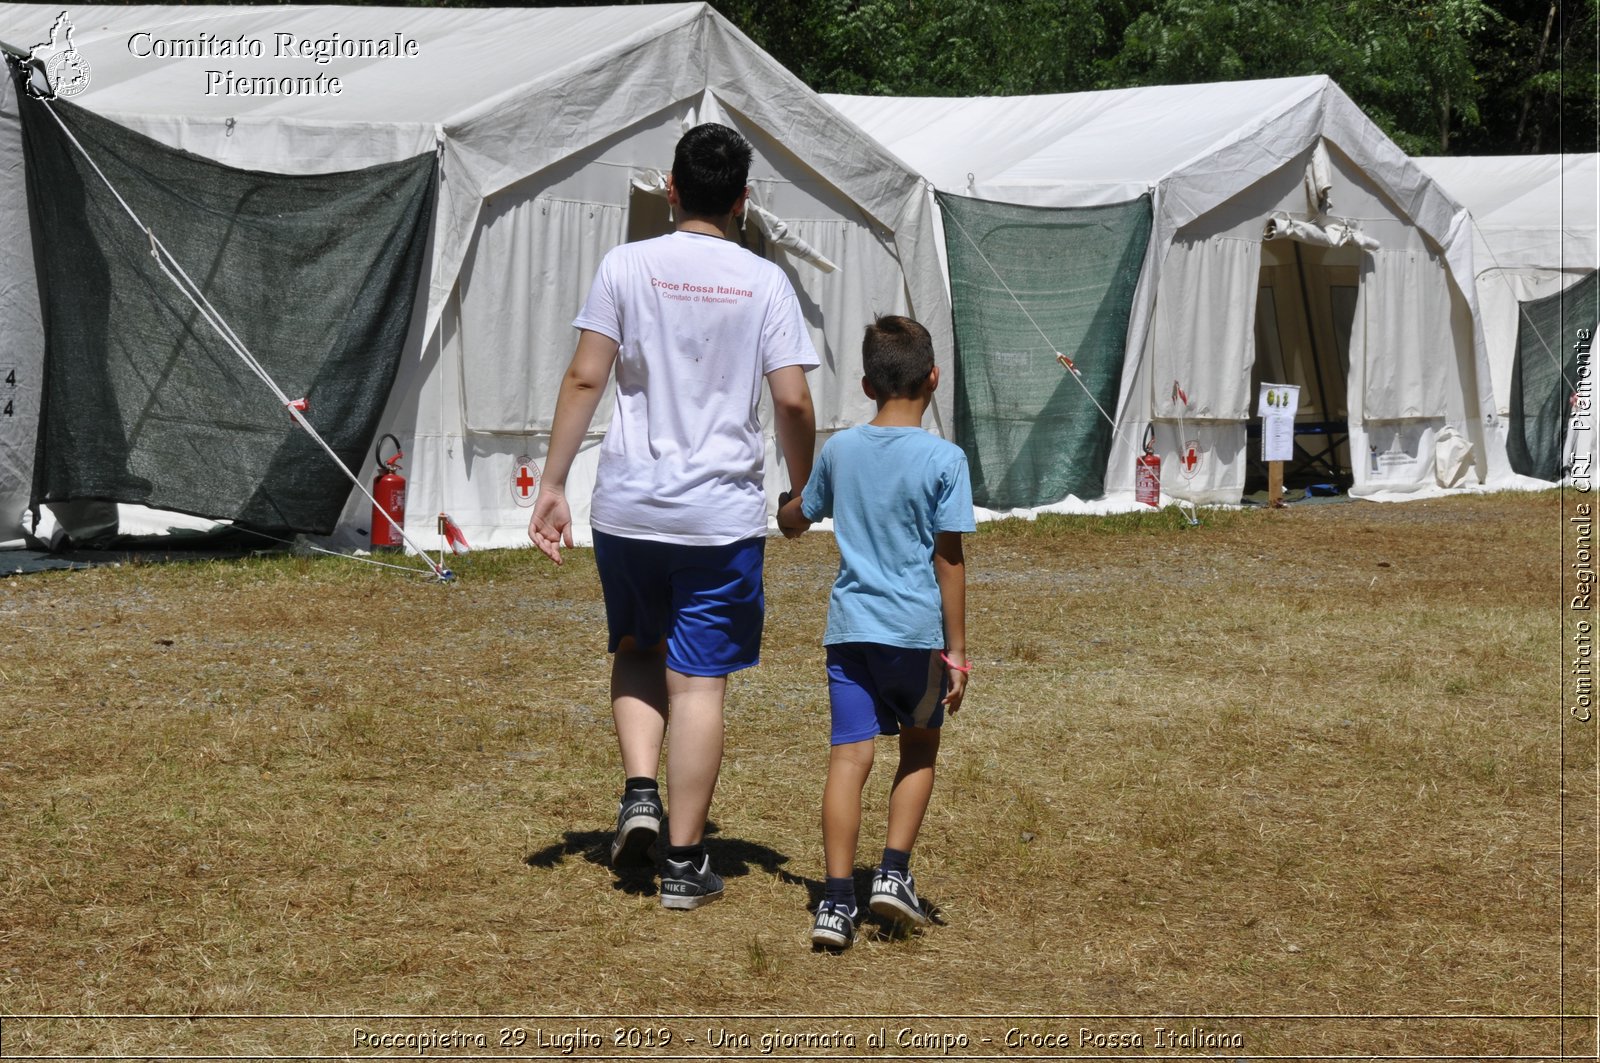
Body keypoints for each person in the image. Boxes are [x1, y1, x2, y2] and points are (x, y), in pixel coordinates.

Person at [529, 123, 818, 910]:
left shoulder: (625, 265)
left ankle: (640, 790)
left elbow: (586, 378)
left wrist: (553, 482)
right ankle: (686, 865)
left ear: (670, 187)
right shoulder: (764, 282)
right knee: (699, 685)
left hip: (629, 504)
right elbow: (791, 396)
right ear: (745, 200)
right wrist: (802, 491)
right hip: (719, 516)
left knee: (633, 646)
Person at [777, 315, 973, 949]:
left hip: (850, 633)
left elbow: (796, 520)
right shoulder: (946, 459)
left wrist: (785, 501)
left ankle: (835, 903)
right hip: (916, 636)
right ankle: (892, 874)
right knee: (918, 749)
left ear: (865, 385)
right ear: (934, 379)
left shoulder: (840, 449)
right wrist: (959, 653)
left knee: (848, 759)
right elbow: (949, 558)